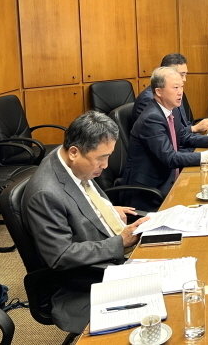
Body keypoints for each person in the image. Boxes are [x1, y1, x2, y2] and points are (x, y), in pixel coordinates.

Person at [22, 111, 149, 334]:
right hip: (83, 282)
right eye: (101, 157)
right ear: (74, 152)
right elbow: (60, 255)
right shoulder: (45, 193)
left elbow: (83, 201)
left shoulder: (68, 163)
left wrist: (109, 209)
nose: (106, 165)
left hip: (108, 249)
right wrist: (120, 242)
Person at [124, 67, 208, 208]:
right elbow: (170, 158)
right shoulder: (152, 118)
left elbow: (183, 136)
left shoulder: (170, 109)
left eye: (181, 87)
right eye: (175, 87)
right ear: (159, 92)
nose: (180, 92)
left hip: (170, 179)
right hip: (152, 191)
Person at [132, 53, 208, 133]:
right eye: (181, 75)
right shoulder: (148, 99)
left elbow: (184, 125)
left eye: (185, 74)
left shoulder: (176, 92)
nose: (184, 79)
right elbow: (168, 135)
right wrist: (194, 129)